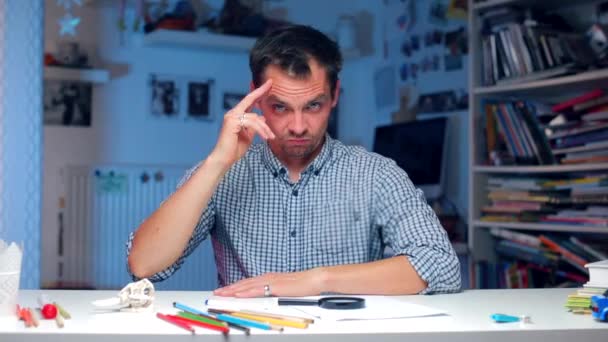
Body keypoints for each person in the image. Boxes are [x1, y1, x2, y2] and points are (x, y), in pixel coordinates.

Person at [127, 25, 460, 297]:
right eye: (280, 107)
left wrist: (318, 281)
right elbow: (145, 265)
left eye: (313, 106)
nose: (298, 126)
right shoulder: (223, 172)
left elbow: (441, 266)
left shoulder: (376, 173)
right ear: (254, 97)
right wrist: (217, 162)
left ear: (335, 96)